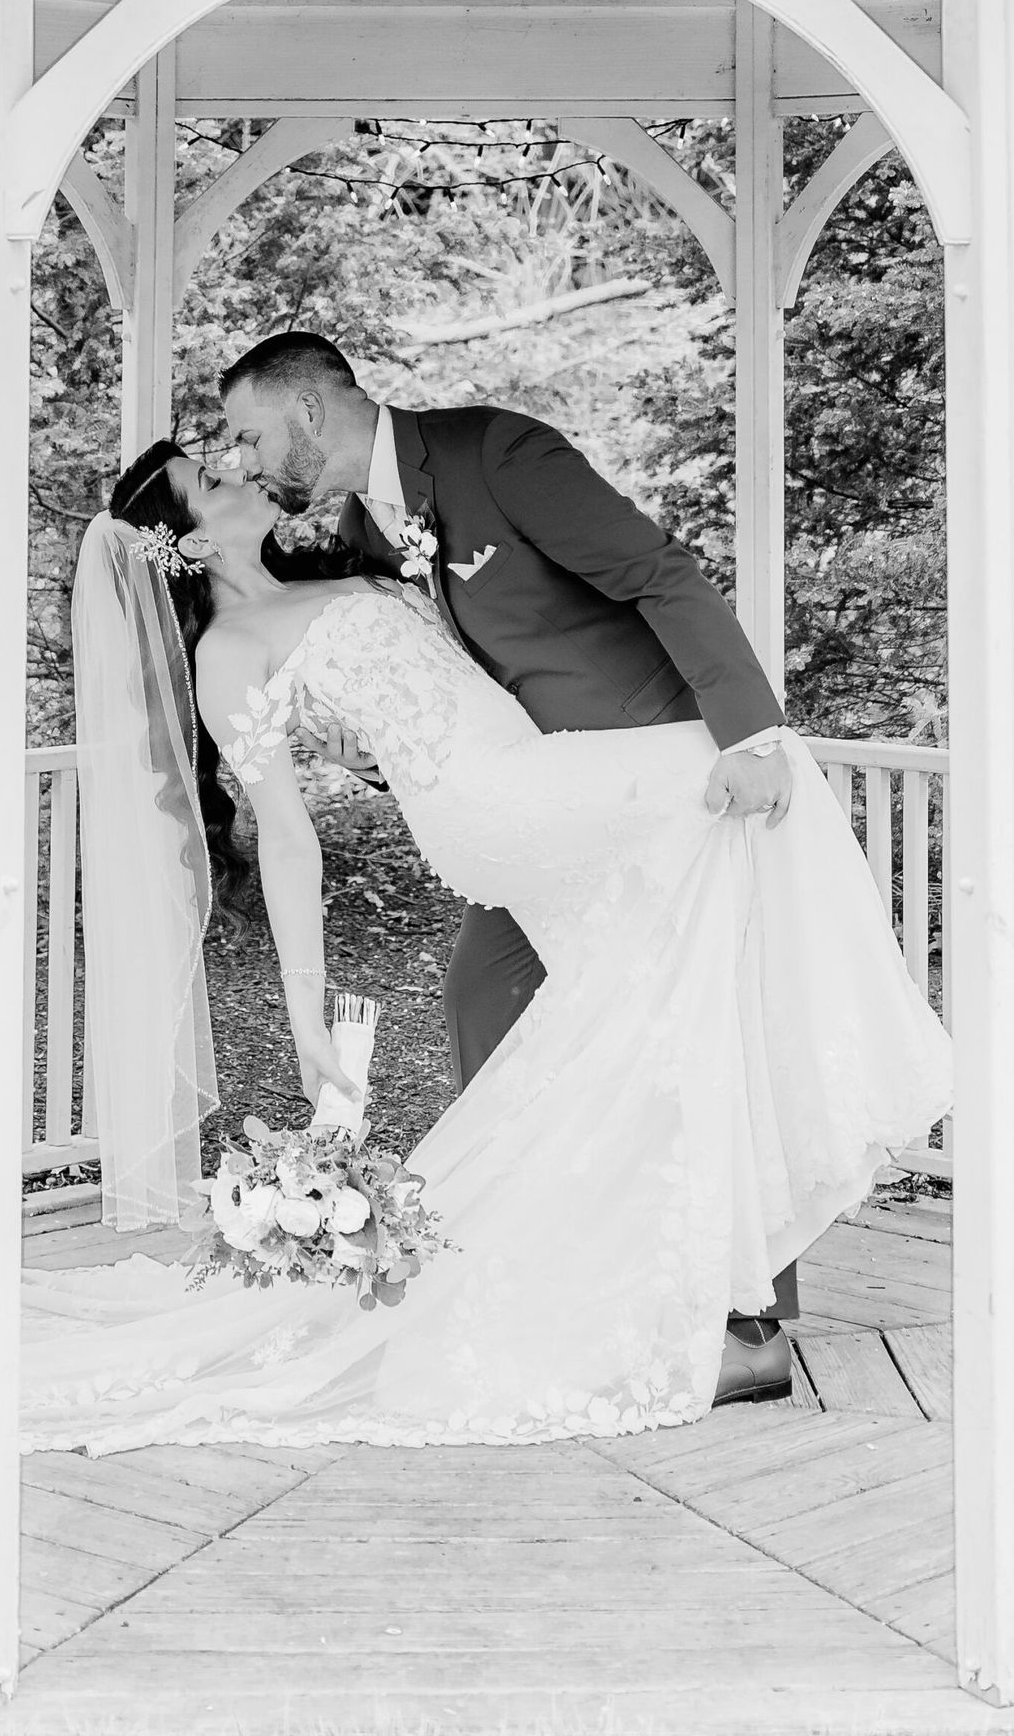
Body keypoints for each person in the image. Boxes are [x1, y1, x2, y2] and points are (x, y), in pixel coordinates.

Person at [18, 443, 951, 1456]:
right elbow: (286, 839)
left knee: (655, 997)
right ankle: (880, 1062)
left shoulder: (343, 564)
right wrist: (304, 1020)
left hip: (530, 769)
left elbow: (432, 676)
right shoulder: (228, 651)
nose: (241, 469)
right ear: (189, 539)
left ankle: (707, 1307)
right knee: (743, 756)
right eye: (213, 475)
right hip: (488, 806)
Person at [220, 333, 805, 1405]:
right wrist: (384, 758)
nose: (244, 459)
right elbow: (451, 698)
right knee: (487, 996)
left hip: (645, 778)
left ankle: (746, 1316)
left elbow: (659, 573)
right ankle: (565, 1259)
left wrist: (749, 736)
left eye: (250, 432)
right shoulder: (360, 529)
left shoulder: (494, 455)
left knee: (678, 1028)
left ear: (310, 410)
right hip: (543, 809)